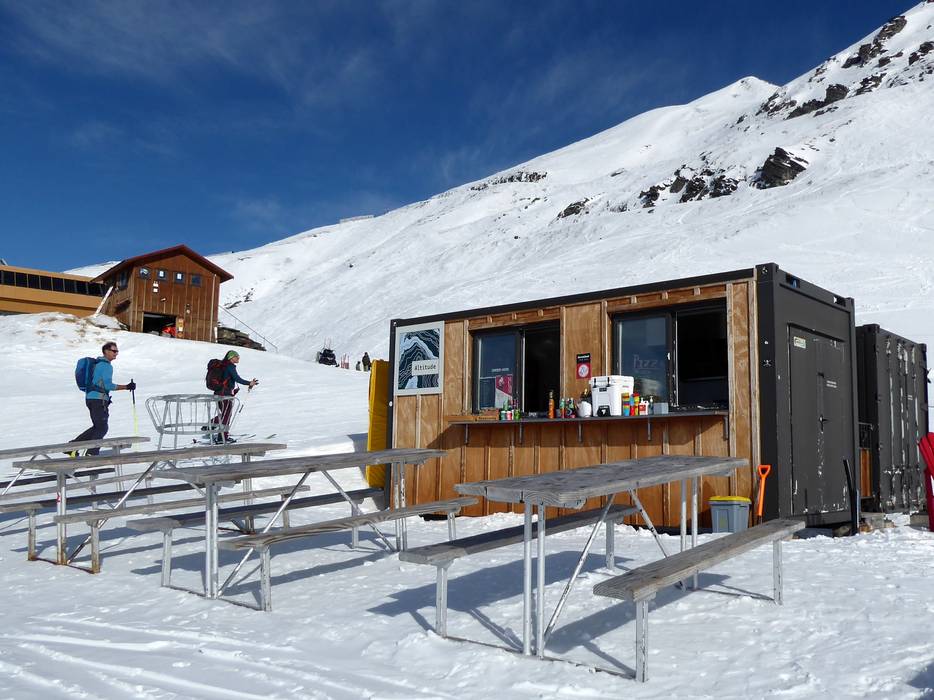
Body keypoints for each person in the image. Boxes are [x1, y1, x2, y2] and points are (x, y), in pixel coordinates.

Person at [70, 341, 136, 455]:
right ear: (106, 351)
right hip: (98, 400)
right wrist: (127, 387)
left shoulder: (97, 364)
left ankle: (73, 446)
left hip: (91, 398)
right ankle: (92, 453)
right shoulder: (106, 366)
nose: (116, 353)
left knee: (98, 427)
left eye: (117, 351)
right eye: (114, 351)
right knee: (102, 428)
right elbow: (108, 385)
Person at [212, 350, 258, 444]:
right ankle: (222, 438)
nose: (238, 358)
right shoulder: (230, 366)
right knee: (226, 415)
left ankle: (211, 426)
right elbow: (237, 379)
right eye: (237, 357)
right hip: (224, 395)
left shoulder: (223, 366)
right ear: (231, 357)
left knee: (224, 414)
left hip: (218, 393)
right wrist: (249, 383)